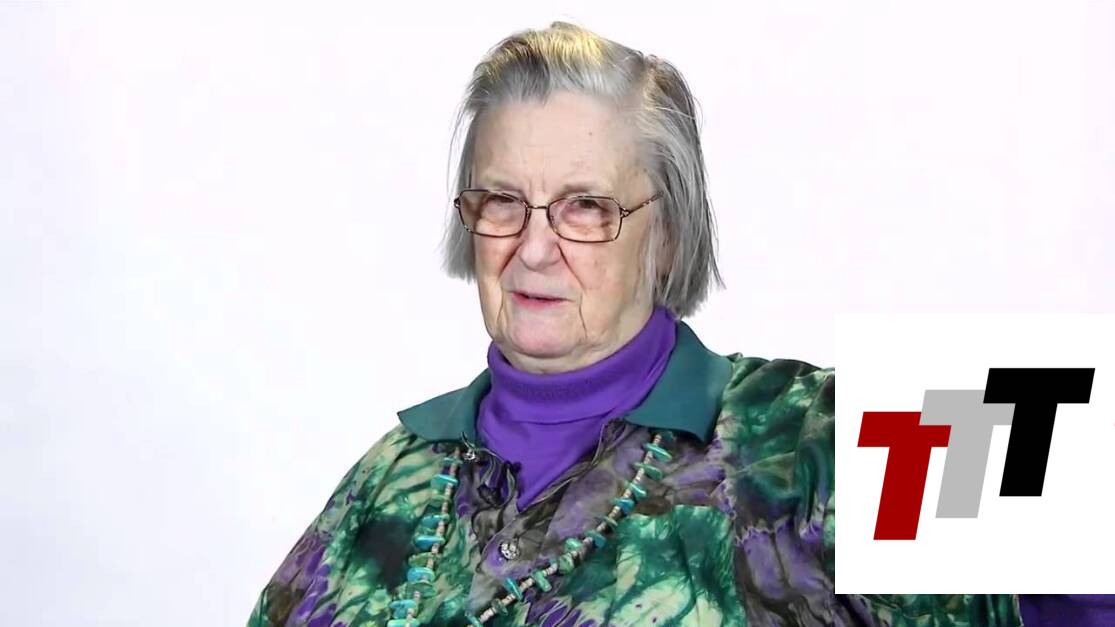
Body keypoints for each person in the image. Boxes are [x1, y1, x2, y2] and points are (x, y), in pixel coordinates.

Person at [247, 22, 1021, 626]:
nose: (533, 248)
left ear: (669, 234)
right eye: (502, 200)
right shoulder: (393, 474)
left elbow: (1073, 503)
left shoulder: (808, 437)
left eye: (586, 206)